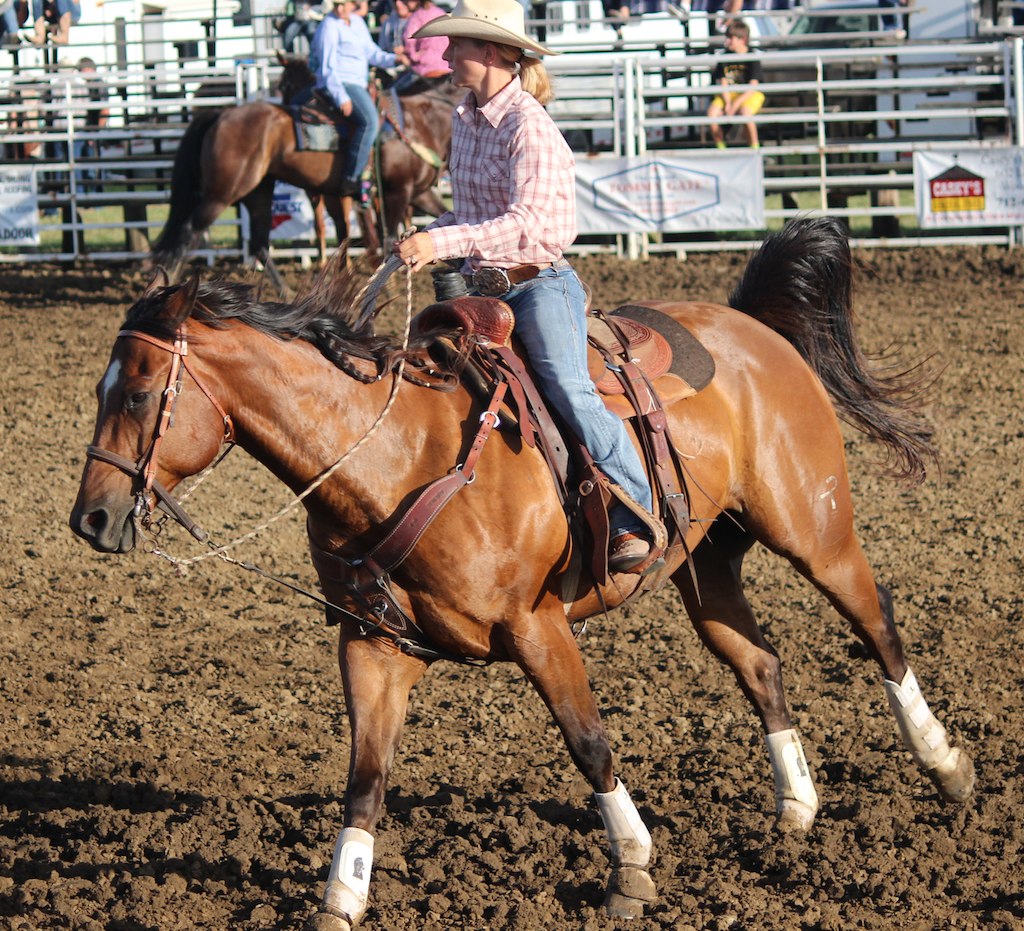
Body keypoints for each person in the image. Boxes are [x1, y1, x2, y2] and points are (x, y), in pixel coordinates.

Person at [395, 0, 658, 573]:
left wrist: (439, 245)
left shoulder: (529, 126)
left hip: (538, 284)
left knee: (567, 386)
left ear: (488, 52)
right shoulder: (466, 118)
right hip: (479, 285)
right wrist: (427, 234)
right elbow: (470, 213)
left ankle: (636, 511)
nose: (443, 52)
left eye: (455, 45)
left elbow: (526, 224)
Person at [308, 0, 408, 197]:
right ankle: (352, 178)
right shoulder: (329, 26)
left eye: (342, 4)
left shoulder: (356, 22)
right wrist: (341, 96)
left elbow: (371, 52)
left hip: (358, 82)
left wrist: (393, 59)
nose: (338, 8)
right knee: (369, 122)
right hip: (343, 82)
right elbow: (327, 67)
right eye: (335, 4)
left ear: (352, 4)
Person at [706, 18, 764, 149]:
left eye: (731, 38)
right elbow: (723, 82)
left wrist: (735, 105)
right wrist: (728, 103)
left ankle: (755, 149)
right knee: (711, 114)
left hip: (749, 94)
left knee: (745, 114)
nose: (727, 41)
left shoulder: (752, 57)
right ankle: (721, 148)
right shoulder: (724, 57)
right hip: (729, 94)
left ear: (742, 39)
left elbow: (753, 86)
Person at [391, 0, 450, 95]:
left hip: (425, 69)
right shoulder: (440, 12)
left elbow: (409, 41)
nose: (405, 3)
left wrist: (411, 55)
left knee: (392, 93)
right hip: (447, 68)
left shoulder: (416, 16)